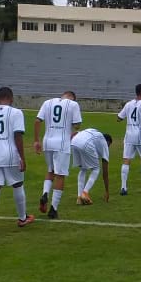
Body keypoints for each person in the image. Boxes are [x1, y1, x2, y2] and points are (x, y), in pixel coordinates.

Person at [0, 86, 35, 237]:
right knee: (17, 184)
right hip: (11, 155)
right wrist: (22, 157)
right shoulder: (16, 113)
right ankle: (22, 218)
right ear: (11, 99)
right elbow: (18, 136)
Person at [34, 91, 82, 219]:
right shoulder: (73, 105)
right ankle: (53, 208)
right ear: (72, 98)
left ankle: (45, 193)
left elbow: (37, 121)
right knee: (60, 176)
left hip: (47, 141)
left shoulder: (47, 102)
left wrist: (36, 140)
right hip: (61, 143)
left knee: (50, 170)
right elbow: (77, 125)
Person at [71, 128, 113, 205]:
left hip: (74, 142)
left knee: (83, 168)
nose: (108, 147)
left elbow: (74, 133)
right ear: (107, 141)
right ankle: (85, 192)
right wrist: (107, 191)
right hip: (85, 144)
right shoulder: (104, 144)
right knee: (96, 169)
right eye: (109, 145)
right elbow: (105, 172)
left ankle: (79, 198)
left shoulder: (94, 133)